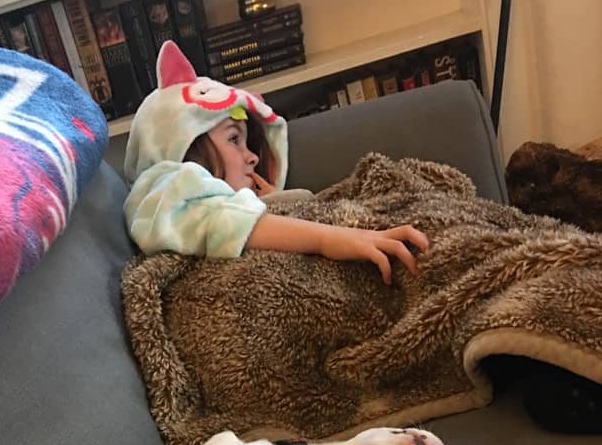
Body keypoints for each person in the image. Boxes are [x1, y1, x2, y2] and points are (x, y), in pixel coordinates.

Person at [123, 41, 428, 284]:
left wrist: (272, 203)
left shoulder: (205, 207)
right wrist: (330, 238)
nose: (253, 157)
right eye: (234, 139)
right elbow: (219, 220)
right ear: (186, 146)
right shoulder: (164, 188)